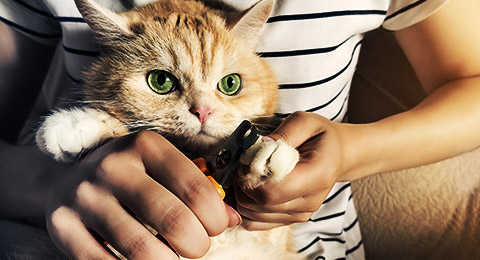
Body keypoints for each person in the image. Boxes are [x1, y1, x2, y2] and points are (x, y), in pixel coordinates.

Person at [1, 0, 479, 259]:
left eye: (230, 84)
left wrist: (351, 151)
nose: (205, 111)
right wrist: (54, 182)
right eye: (163, 81)